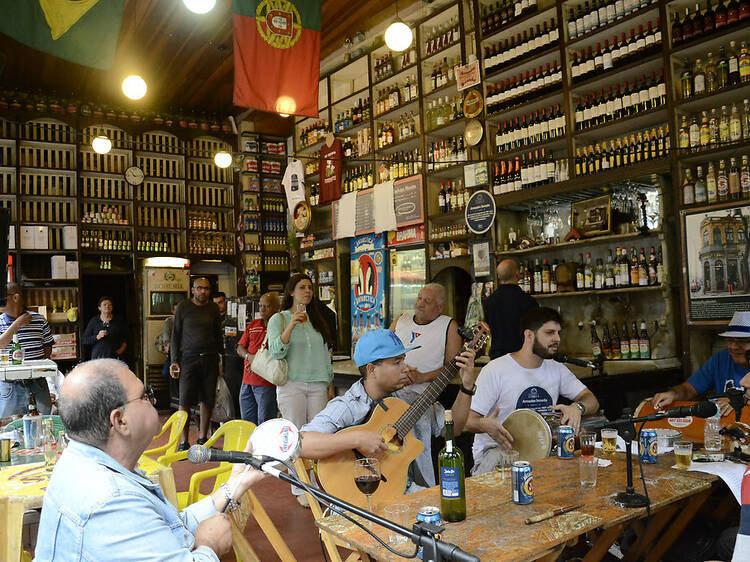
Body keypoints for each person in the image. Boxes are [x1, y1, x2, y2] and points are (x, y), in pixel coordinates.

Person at [34, 358, 264, 561]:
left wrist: (234, 486)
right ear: (120, 421)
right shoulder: (112, 500)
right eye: (145, 396)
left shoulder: (82, 462)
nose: (152, 401)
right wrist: (209, 546)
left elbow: (174, 525)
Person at [300, 328, 477, 492]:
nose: (405, 368)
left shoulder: (408, 399)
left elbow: (454, 428)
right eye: (396, 362)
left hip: (411, 494)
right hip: (361, 502)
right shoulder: (348, 406)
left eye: (404, 360)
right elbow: (302, 443)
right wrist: (356, 438)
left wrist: (467, 386)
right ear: (372, 369)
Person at [466, 307, 600, 475]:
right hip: (498, 452)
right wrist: (484, 425)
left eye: (559, 333)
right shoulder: (495, 370)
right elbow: (468, 420)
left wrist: (577, 408)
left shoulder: (556, 369)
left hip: (542, 453)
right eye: (550, 333)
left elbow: (591, 400)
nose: (557, 339)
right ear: (529, 335)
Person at [267, 273, 334, 506]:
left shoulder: (318, 319)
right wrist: (291, 325)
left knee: (318, 436)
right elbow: (276, 351)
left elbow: (326, 355)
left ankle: (318, 485)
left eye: (310, 288)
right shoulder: (279, 319)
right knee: (294, 435)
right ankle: (300, 488)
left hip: (318, 384)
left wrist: (329, 383)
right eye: (302, 287)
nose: (307, 291)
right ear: (291, 291)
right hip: (291, 384)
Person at [652, 311, 750, 418]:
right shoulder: (720, 359)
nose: (734, 347)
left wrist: (739, 401)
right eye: (730, 340)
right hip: (724, 427)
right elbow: (688, 389)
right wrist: (673, 394)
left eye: (742, 341)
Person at [170, 277, 223, 450]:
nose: (203, 291)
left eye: (206, 289)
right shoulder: (184, 307)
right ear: (192, 289)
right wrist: (174, 361)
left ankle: (203, 439)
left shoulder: (213, 309)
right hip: (189, 358)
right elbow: (175, 335)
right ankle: (183, 441)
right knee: (184, 400)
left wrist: (221, 359)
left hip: (210, 357)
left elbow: (218, 335)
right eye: (200, 288)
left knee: (207, 399)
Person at [389, 283, 463, 396]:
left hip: (422, 398)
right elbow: (383, 353)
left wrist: (422, 377)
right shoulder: (401, 319)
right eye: (419, 298)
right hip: (390, 391)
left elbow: (453, 369)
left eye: (427, 301)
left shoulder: (449, 326)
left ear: (440, 307)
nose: (420, 304)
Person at [0, 283, 54, 417]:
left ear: (15, 298)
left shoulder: (40, 320)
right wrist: (16, 325)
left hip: (38, 384)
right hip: (10, 386)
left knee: (42, 426)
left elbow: (47, 350)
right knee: (9, 430)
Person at [237, 292, 279, 425]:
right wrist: (250, 357)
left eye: (266, 306)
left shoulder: (280, 327)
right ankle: (251, 446)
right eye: (260, 306)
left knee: (265, 422)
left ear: (276, 308)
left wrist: (259, 361)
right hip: (246, 381)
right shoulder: (253, 324)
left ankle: (264, 447)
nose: (262, 309)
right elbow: (240, 348)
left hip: (266, 383)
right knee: (247, 422)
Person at [483, 259, 538, 359]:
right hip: (522, 358)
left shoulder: (489, 301)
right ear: (517, 273)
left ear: (499, 277)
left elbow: (488, 329)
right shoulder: (528, 301)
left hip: (497, 358)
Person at [82, 296, 128, 360]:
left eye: (110, 305)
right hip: (98, 358)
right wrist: (97, 337)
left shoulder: (118, 321)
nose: (107, 306)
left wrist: (121, 350)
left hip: (114, 358)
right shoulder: (94, 321)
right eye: (104, 305)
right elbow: (84, 340)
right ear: (99, 308)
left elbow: (125, 337)